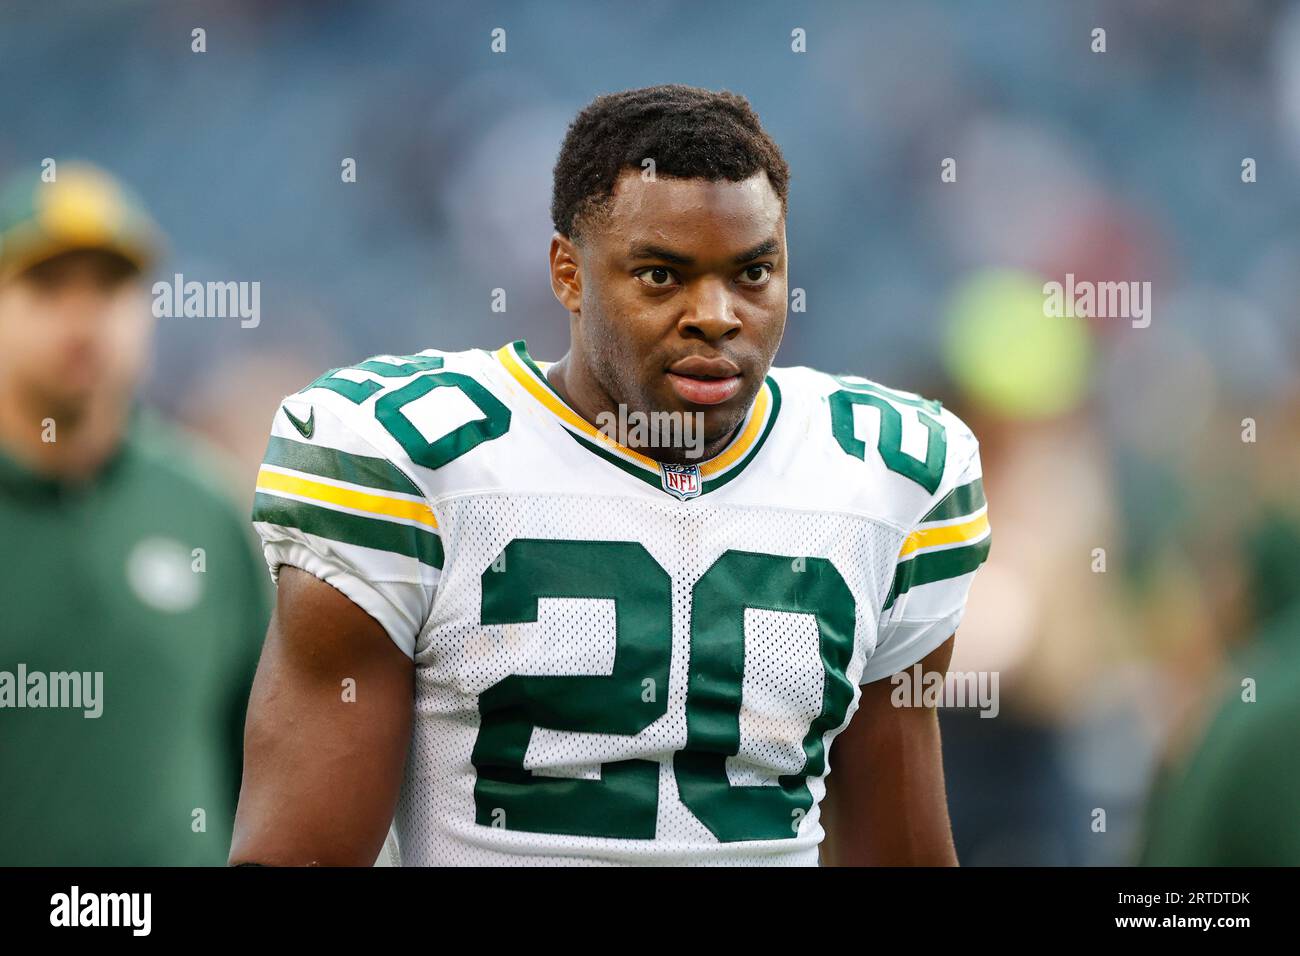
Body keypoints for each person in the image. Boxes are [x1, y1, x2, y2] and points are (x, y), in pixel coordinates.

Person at [230, 85, 991, 866]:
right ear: (568, 272)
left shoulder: (887, 474)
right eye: (662, 275)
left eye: (753, 273)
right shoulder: (408, 461)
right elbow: (302, 854)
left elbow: (892, 848)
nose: (717, 314)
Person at [0, 162, 268, 865]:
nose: (84, 317)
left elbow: (273, 765)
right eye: (49, 286)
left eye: (112, 287)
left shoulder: (204, 508)